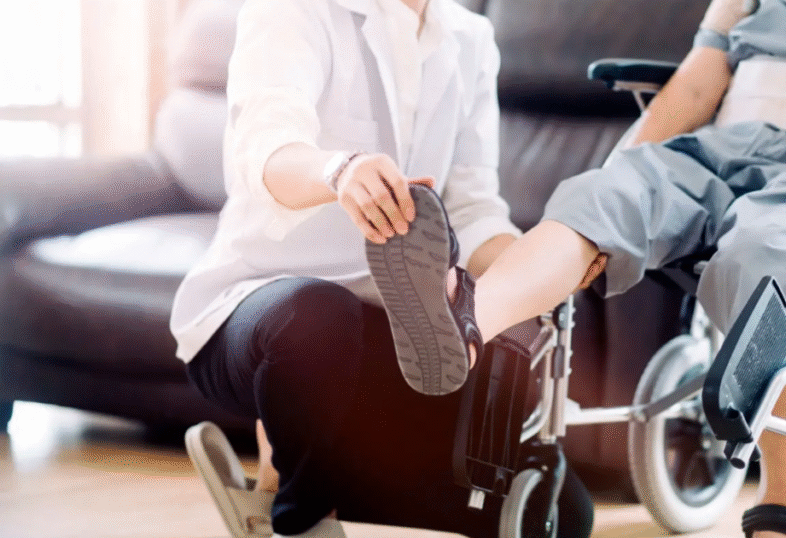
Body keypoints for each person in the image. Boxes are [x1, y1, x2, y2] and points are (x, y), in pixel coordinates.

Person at [366, 0, 786, 536]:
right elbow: (700, 81)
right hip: (721, 145)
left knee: (774, 250)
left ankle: (780, 496)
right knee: (603, 197)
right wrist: (619, 177)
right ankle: (464, 323)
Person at [169, 0, 594, 537]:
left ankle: (283, 475)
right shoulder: (296, 10)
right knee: (318, 319)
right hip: (264, 314)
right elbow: (265, 150)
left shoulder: (470, 38)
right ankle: (303, 518)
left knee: (558, 515)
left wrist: (543, 265)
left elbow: (472, 209)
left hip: (394, 337)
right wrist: (338, 171)